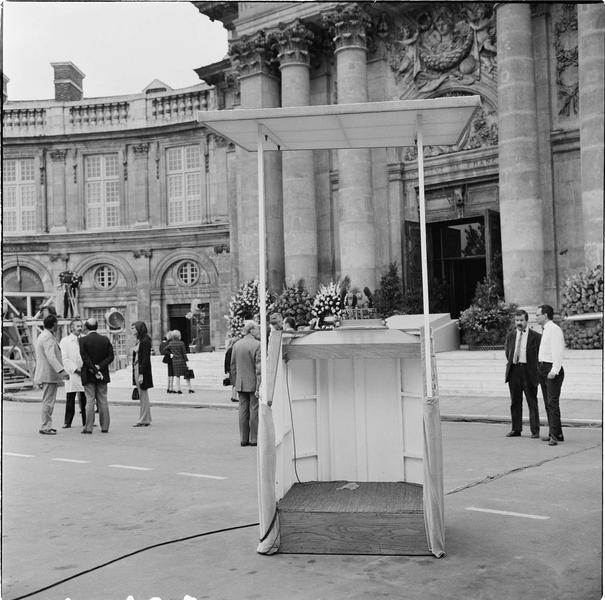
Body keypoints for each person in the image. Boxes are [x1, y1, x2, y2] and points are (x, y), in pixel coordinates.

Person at [504, 309, 541, 438]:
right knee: (515, 401)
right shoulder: (510, 335)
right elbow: (507, 351)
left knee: (532, 401)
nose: (519, 323)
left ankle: (535, 430)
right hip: (514, 370)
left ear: (527, 321)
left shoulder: (536, 336)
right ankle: (516, 429)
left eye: (521, 320)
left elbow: (539, 355)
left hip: (529, 371)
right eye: (517, 320)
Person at [33, 314, 69, 434]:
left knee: (48, 400)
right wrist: (62, 371)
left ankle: (47, 425)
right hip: (49, 374)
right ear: (54, 325)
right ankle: (45, 426)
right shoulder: (47, 337)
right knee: (48, 401)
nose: (58, 326)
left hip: (48, 374)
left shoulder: (45, 335)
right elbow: (51, 357)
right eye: (57, 324)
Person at [536, 304, 566, 446]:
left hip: (551, 369)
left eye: (538, 315)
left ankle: (554, 435)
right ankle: (556, 433)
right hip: (543, 368)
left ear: (545, 315)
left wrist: (554, 370)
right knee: (549, 403)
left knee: (552, 403)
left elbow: (558, 351)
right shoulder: (546, 329)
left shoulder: (554, 329)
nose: (536, 317)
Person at [79, 318, 114, 434]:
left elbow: (85, 358)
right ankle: (105, 427)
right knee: (103, 399)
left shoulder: (82, 340)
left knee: (90, 400)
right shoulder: (105, 339)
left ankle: (88, 427)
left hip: (89, 374)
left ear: (86, 327)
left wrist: (94, 369)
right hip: (102, 373)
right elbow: (111, 357)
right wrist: (99, 367)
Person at [230, 320, 261, 447]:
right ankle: (254, 438)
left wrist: (235, 381)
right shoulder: (258, 345)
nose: (259, 331)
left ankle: (243, 438)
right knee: (254, 410)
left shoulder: (237, 345)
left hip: (241, 382)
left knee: (242, 410)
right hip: (253, 382)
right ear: (252, 330)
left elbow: (232, 366)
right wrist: (259, 385)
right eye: (257, 329)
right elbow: (259, 369)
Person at [59, 319, 87, 428]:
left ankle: (87, 421)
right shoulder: (65, 341)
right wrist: (76, 370)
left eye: (81, 326)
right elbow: (64, 358)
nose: (80, 328)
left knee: (85, 398)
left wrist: (84, 369)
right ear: (72, 328)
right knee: (70, 398)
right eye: (77, 326)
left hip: (84, 371)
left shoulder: (85, 339)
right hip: (72, 373)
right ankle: (68, 421)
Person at [131, 321, 153, 427]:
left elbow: (145, 359)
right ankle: (146, 418)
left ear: (139, 329)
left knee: (143, 395)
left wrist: (141, 374)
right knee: (142, 395)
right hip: (137, 368)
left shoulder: (145, 340)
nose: (132, 330)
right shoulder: (140, 340)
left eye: (134, 328)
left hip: (141, 369)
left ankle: (143, 419)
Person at [167, 329, 189, 394]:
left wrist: (171, 354)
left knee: (177, 376)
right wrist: (186, 360)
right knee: (186, 374)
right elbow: (184, 353)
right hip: (182, 360)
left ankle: (178, 389)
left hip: (175, 361)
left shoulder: (170, 343)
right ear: (178, 336)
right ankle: (189, 388)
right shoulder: (181, 343)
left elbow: (164, 350)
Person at [224, 335, 239, 402]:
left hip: (231, 369)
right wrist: (227, 370)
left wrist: (226, 370)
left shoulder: (230, 350)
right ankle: (234, 397)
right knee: (235, 383)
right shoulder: (232, 350)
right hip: (233, 369)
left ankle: (233, 396)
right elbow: (227, 361)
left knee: (234, 383)